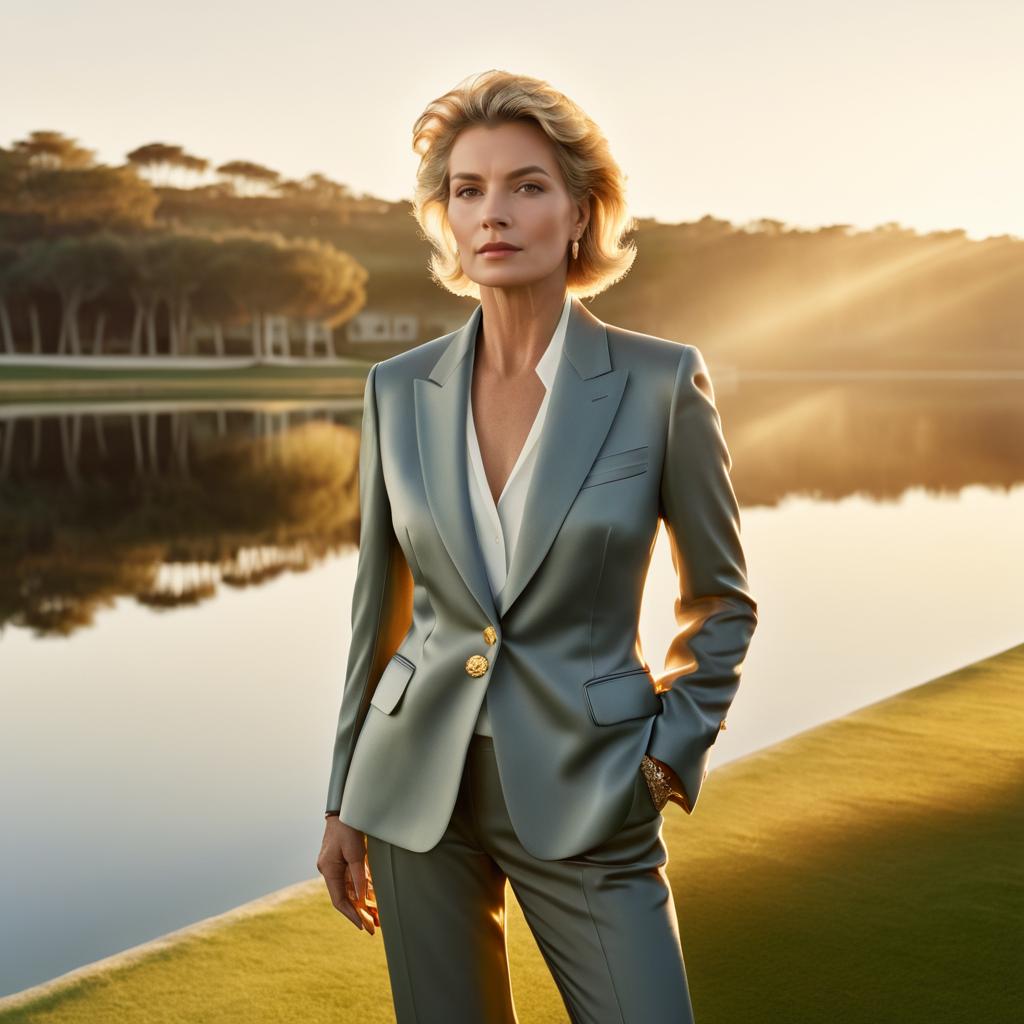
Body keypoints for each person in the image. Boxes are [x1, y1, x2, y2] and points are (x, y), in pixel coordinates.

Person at [316, 68, 758, 1023]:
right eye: (467, 191)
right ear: (445, 218)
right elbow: (377, 614)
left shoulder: (658, 382)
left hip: (591, 781)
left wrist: (665, 758)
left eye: (526, 185)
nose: (494, 214)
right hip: (411, 792)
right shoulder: (398, 390)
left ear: (580, 212)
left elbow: (721, 604)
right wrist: (343, 792)